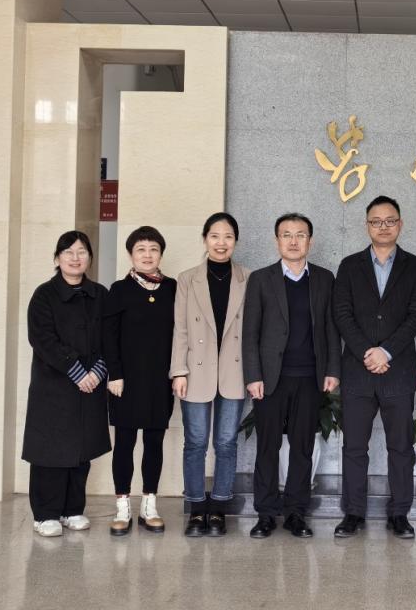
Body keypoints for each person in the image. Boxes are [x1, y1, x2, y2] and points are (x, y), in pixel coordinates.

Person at [331, 195, 416, 539]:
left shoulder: (415, 266)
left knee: (400, 447)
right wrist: (367, 352)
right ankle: (353, 512)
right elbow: (342, 313)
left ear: (400, 224)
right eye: (376, 221)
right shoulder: (349, 265)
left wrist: (386, 351)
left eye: (390, 221)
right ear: (367, 226)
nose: (383, 227)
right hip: (358, 372)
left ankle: (399, 513)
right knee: (354, 447)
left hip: (397, 372)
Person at [243, 213, 341, 539]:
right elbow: (250, 332)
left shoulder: (324, 278)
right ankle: (266, 513)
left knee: (302, 446)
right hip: (271, 378)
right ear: (277, 241)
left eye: (300, 235)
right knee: (267, 446)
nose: (294, 241)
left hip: (310, 376)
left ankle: (296, 512)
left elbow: (330, 328)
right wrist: (253, 375)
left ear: (310, 241)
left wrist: (332, 369)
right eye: (287, 234)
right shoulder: (261, 279)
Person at [23, 230, 110, 537]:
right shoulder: (44, 295)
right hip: (54, 386)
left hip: (91, 384)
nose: (75, 258)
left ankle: (72, 509)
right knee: (50, 451)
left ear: (90, 258)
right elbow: (42, 339)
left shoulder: (100, 295)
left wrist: (97, 371)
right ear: (57, 258)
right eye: (68, 252)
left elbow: (111, 338)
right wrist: (77, 371)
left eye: (82, 252)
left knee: (81, 450)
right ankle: (45, 514)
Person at [170, 212, 249, 537]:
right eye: (215, 236)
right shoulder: (187, 279)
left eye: (228, 236)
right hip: (196, 370)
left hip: (234, 370)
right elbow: (180, 329)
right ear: (205, 239)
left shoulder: (248, 278)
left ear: (235, 241)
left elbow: (253, 332)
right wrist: (178, 371)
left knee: (226, 442)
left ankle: (218, 507)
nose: (221, 242)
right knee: (196, 442)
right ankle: (195, 508)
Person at [103, 226, 177, 536]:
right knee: (124, 443)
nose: (147, 255)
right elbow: (108, 336)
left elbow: (181, 333)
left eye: (153, 249)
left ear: (161, 254)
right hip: (126, 381)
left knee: (154, 443)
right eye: (141, 249)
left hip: (160, 380)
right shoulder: (119, 290)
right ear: (131, 254)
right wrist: (114, 373)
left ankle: (149, 505)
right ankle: (123, 507)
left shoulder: (172, 288)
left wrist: (178, 373)